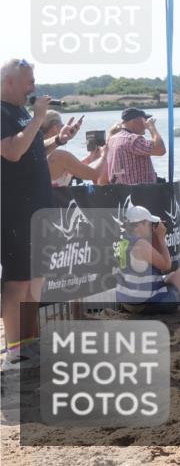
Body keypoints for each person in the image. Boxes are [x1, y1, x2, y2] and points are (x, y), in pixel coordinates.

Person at [1, 58, 82, 370]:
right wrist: (38, 117)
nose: (33, 88)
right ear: (10, 82)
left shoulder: (22, 112)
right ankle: (14, 349)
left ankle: (28, 342)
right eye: (29, 82)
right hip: (13, 210)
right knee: (17, 281)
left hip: (37, 208)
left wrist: (58, 140)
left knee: (35, 279)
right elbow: (12, 151)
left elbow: (31, 150)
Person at [116, 205, 180, 312]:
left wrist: (155, 237)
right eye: (148, 224)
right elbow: (166, 266)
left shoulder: (124, 240)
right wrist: (161, 238)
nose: (150, 227)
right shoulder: (140, 244)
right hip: (149, 305)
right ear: (140, 225)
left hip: (130, 303)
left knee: (172, 276)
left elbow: (158, 266)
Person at [41, 110, 106, 186]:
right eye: (62, 126)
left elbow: (68, 170)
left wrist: (90, 158)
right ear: (55, 128)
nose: (65, 128)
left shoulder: (32, 150)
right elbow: (95, 174)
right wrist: (105, 153)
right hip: (55, 198)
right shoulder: (59, 156)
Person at [104, 107, 166, 185]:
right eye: (144, 121)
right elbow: (160, 150)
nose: (145, 125)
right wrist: (152, 128)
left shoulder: (112, 139)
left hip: (120, 193)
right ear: (134, 121)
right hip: (140, 193)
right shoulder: (132, 139)